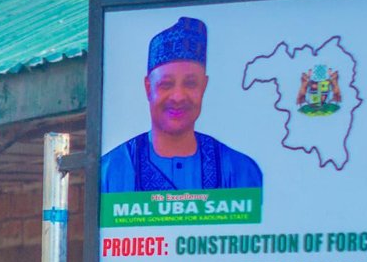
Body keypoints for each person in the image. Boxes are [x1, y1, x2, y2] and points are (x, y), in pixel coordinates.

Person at [98, 17, 262, 193]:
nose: (178, 97)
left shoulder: (240, 170)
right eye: (166, 84)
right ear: (148, 88)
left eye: (190, 84)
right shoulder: (110, 171)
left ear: (204, 86)